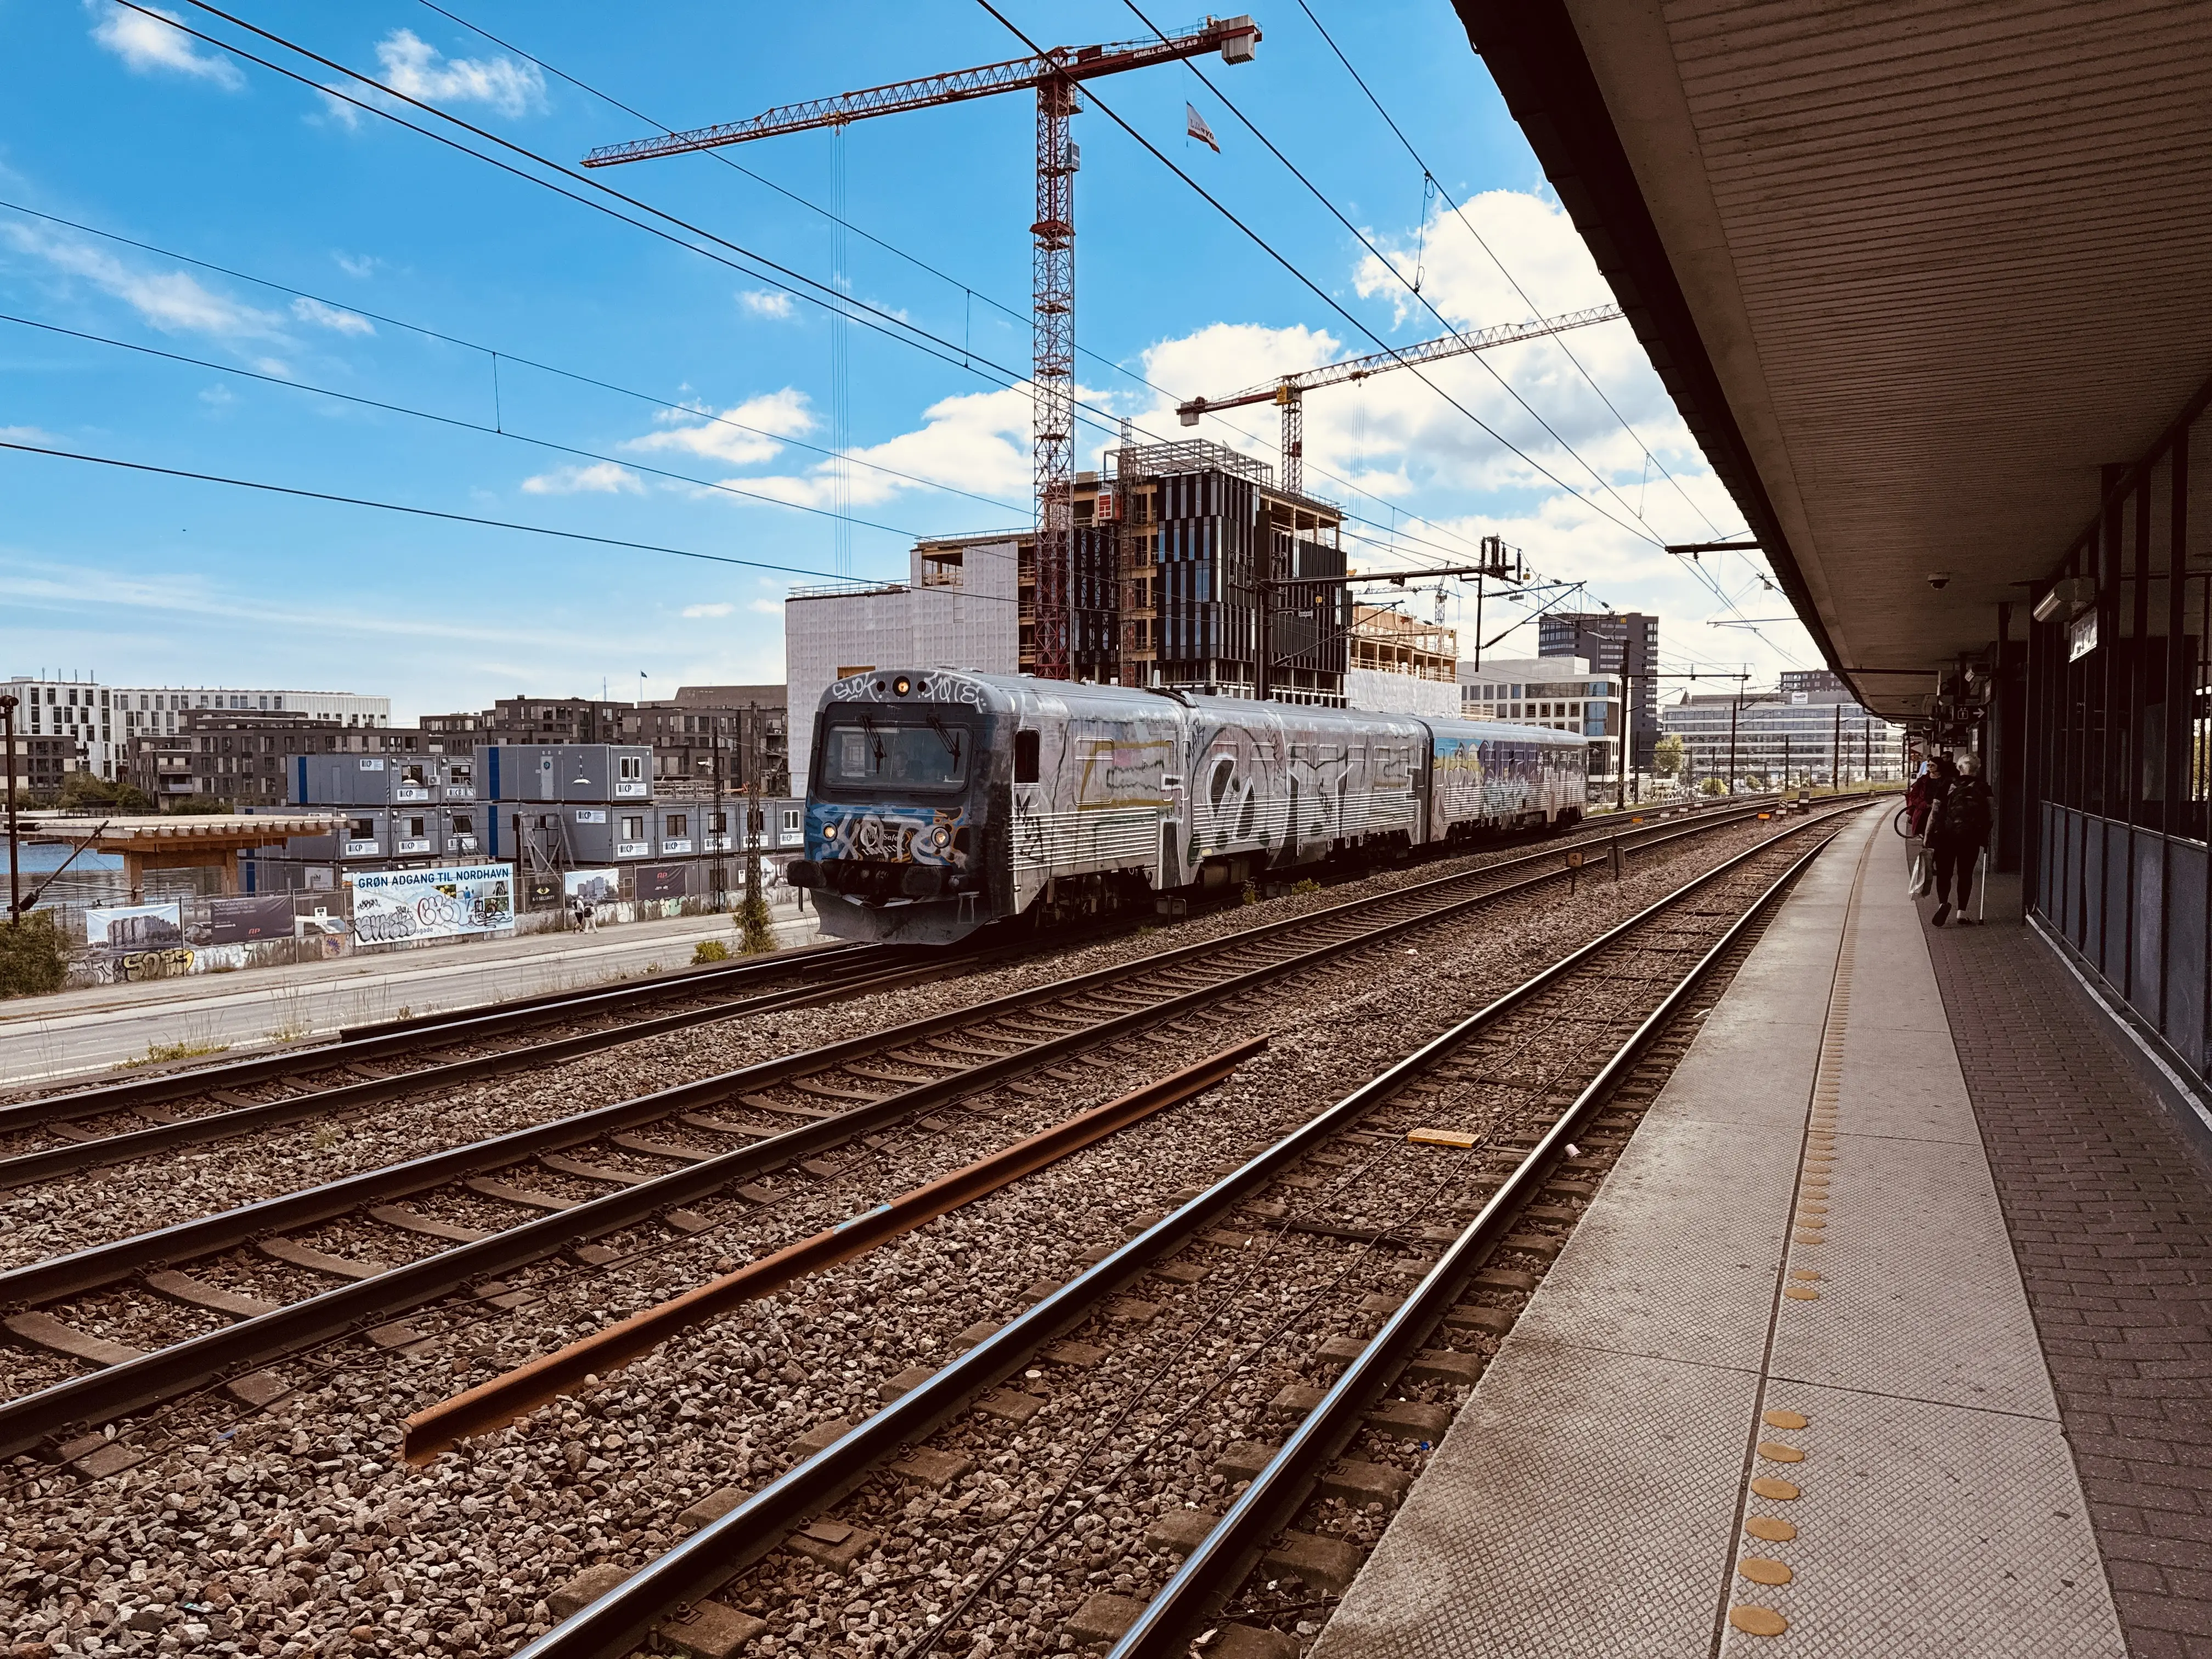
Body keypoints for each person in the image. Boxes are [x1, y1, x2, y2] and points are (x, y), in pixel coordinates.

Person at [1927, 754, 1994, 926]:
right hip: (1970, 837)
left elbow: (1934, 813)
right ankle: (1961, 913)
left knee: (1944, 874)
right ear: (1978, 769)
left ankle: (1943, 903)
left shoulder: (1947, 784)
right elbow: (1991, 815)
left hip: (1945, 836)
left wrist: (1928, 836)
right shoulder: (1984, 787)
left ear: (1959, 768)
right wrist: (1985, 835)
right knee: (1965, 874)